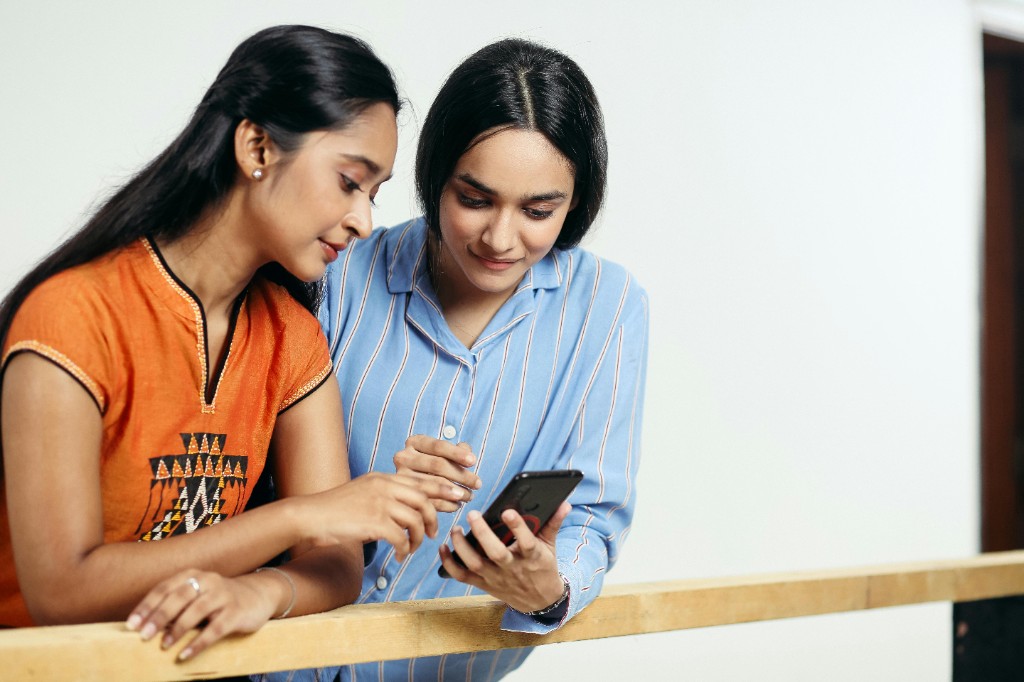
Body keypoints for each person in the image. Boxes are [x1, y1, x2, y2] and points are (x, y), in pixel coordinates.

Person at [0, 24, 459, 662]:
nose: (364, 221)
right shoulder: (74, 314)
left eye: (374, 194)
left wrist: (264, 591)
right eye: (350, 182)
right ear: (257, 147)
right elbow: (61, 592)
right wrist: (303, 517)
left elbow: (337, 566)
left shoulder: (292, 337)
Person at [291, 37, 649, 681]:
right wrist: (364, 501)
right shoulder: (341, 270)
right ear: (434, 174)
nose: (501, 238)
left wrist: (550, 589)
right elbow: (249, 477)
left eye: (539, 210)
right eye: (475, 199)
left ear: (576, 203)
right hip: (284, 663)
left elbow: (593, 516)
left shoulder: (608, 306)